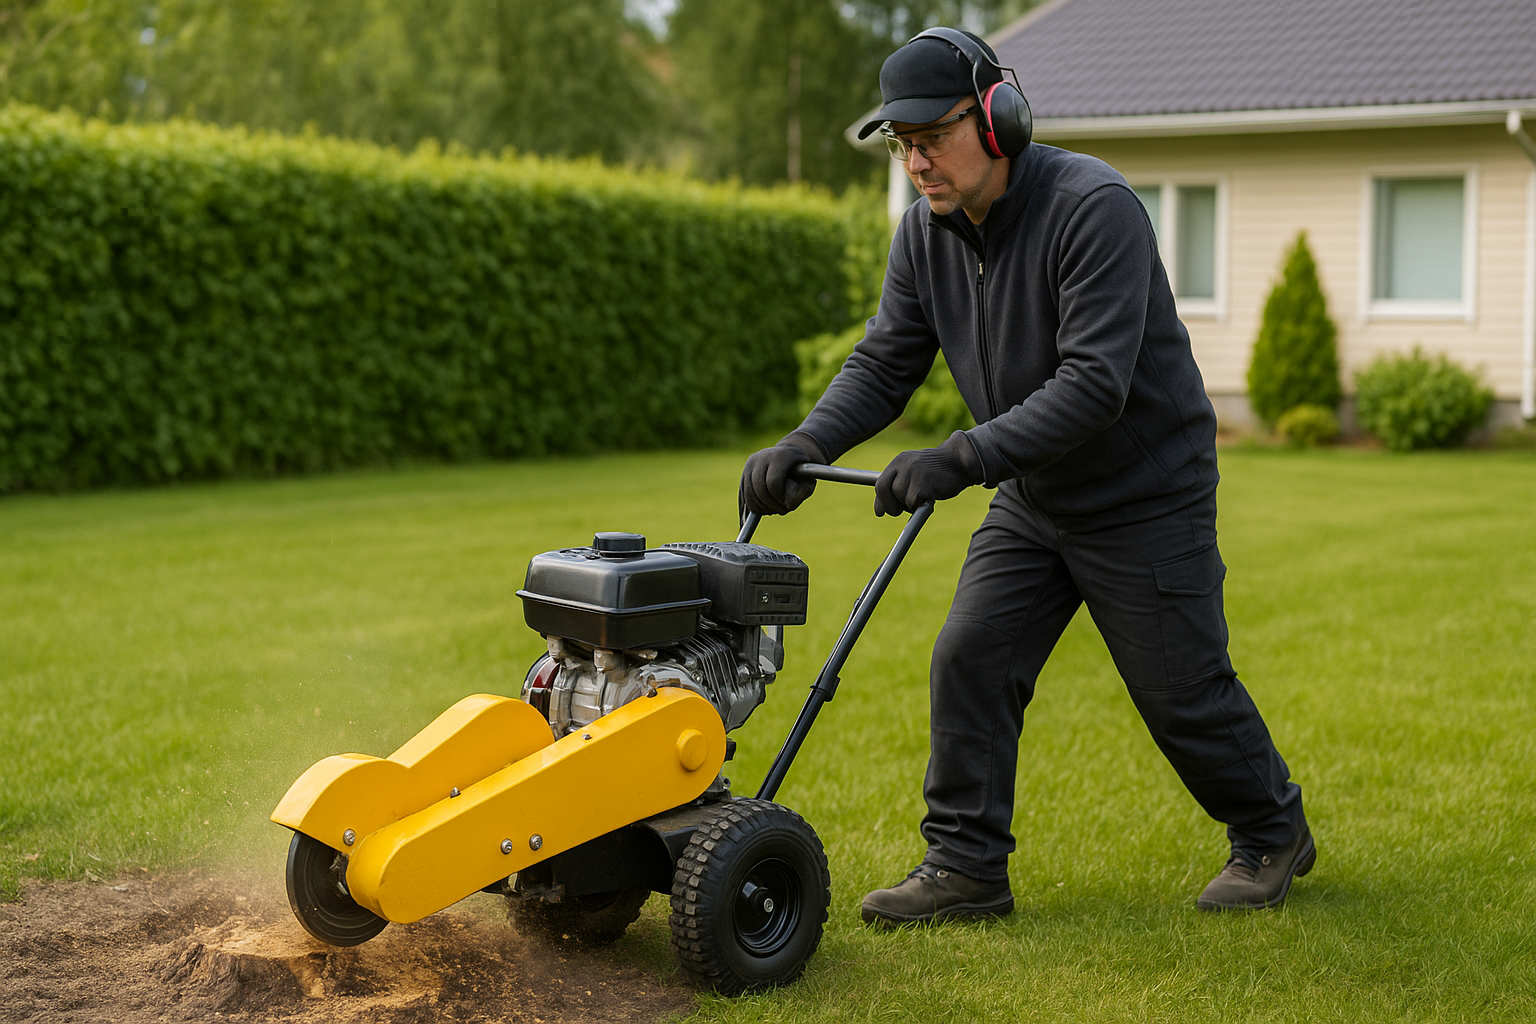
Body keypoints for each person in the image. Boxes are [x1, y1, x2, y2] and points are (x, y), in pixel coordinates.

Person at [740, 28, 1313, 925]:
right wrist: (804, 445)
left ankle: (1273, 831)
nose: (916, 162)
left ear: (998, 118)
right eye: (902, 145)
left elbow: (1093, 385)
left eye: (931, 137)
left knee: (1181, 694)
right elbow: (888, 360)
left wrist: (960, 456)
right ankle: (965, 868)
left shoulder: (1094, 209)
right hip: (1036, 494)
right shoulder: (924, 234)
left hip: (1143, 494)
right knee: (971, 655)